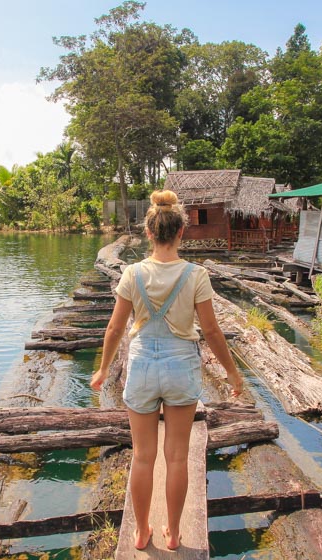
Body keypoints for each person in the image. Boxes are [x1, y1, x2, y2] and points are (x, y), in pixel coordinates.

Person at [90, 189, 244, 551]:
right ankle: (174, 534)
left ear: (148, 232)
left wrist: (103, 368)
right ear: (180, 233)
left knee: (143, 456)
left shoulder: (132, 273)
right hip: (181, 366)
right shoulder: (196, 275)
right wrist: (233, 375)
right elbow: (211, 331)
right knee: (177, 456)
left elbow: (114, 329)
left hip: (142, 365)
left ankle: (141, 532)